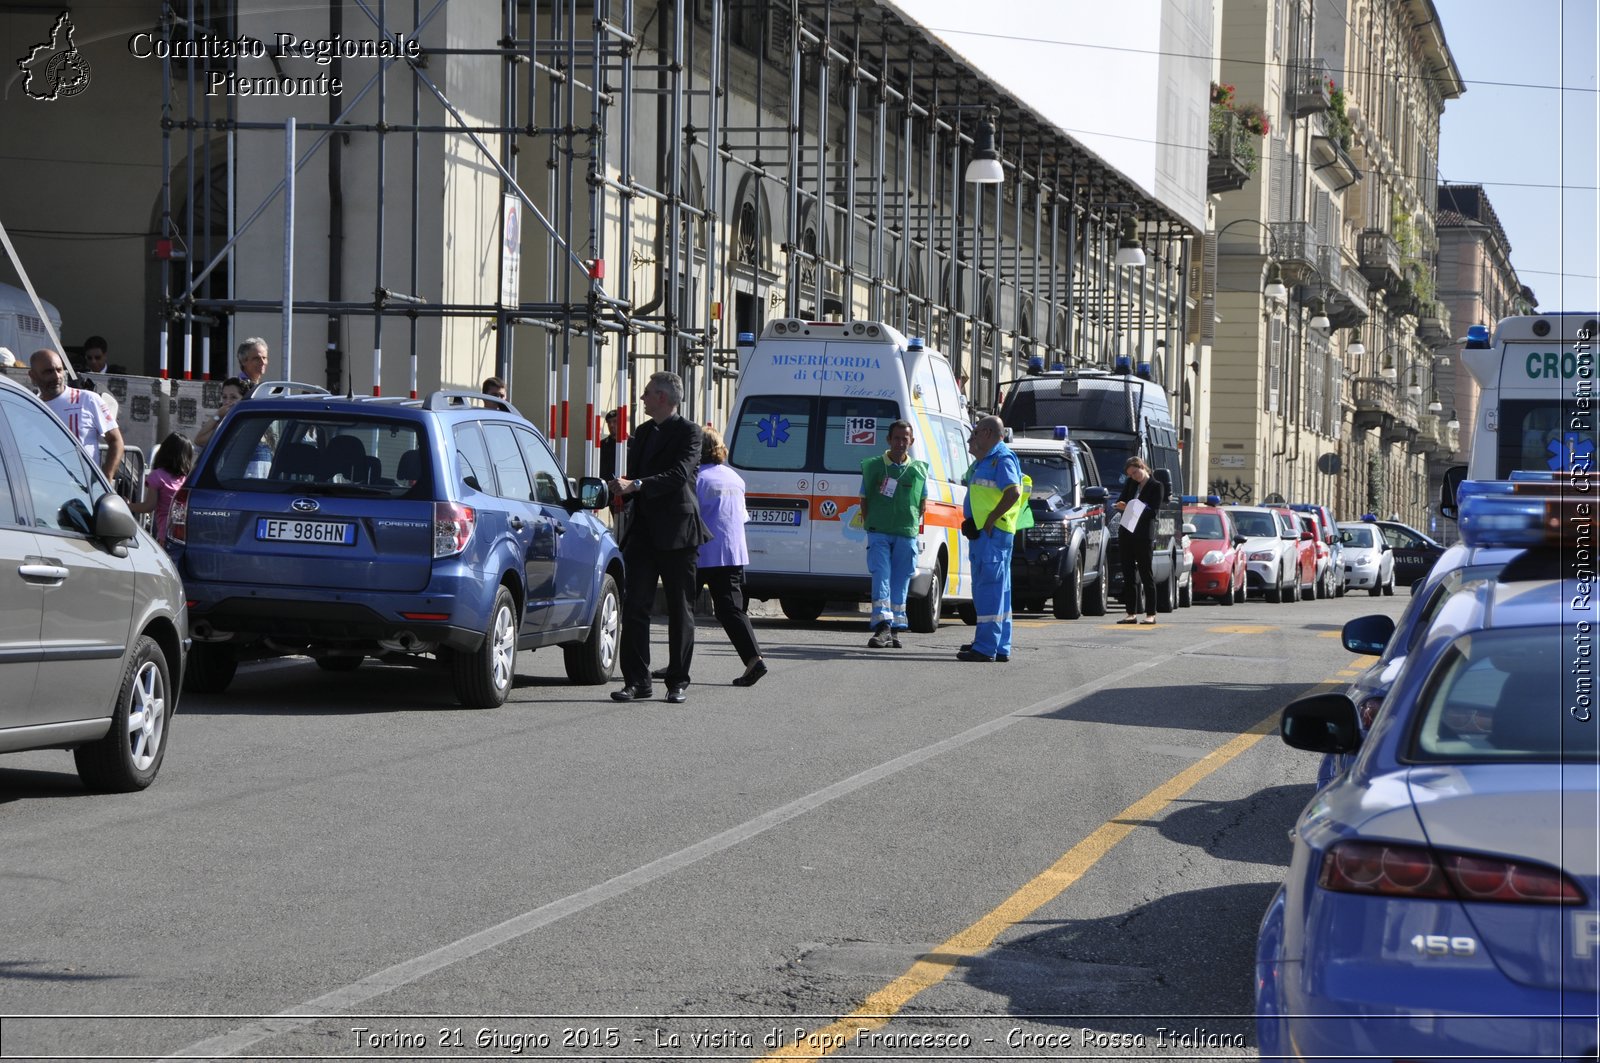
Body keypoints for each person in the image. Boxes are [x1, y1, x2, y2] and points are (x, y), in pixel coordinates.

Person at [608, 371, 711, 704]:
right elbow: (635, 478)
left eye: (648, 393)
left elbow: (679, 475)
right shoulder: (642, 432)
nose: (643, 399)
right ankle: (637, 681)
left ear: (663, 398)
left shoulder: (689, 432)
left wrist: (636, 485)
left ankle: (678, 680)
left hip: (679, 532)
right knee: (635, 604)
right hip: (643, 531)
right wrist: (622, 488)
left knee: (680, 609)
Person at [690, 426, 768, 686]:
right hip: (733, 552)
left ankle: (678, 664)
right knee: (731, 610)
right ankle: (753, 658)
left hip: (701, 552)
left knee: (683, 610)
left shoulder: (696, 479)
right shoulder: (735, 478)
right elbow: (740, 517)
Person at [858, 419, 928, 648]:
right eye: (896, 438)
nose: (900, 443)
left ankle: (895, 628)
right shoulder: (874, 466)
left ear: (911, 441)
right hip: (879, 532)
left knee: (901, 580)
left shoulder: (918, 470)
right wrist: (873, 522)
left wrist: (908, 523)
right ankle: (882, 625)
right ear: (888, 440)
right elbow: (864, 499)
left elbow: (923, 503)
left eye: (904, 439)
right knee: (881, 575)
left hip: (905, 533)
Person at [958, 415, 1022, 662]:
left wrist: (989, 520)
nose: (970, 438)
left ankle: (985, 647)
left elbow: (1013, 492)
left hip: (991, 535)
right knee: (999, 591)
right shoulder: (986, 460)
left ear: (986, 433)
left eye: (974, 433)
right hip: (988, 534)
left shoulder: (1001, 458)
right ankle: (998, 645)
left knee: (988, 591)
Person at [28, 348, 124, 481]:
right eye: (48, 372)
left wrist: (106, 478)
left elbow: (116, 440)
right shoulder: (28, 407)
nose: (56, 376)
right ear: (33, 376)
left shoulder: (88, 399)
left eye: (59, 370)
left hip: (82, 492)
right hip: (41, 490)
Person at [1113, 455, 1165, 625]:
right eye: (1130, 475)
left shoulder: (1156, 486)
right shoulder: (1131, 484)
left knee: (1145, 573)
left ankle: (1151, 613)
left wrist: (1129, 507)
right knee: (1128, 574)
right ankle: (1131, 613)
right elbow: (1122, 499)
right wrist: (1120, 505)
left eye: (1135, 473)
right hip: (1127, 531)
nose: (1134, 477)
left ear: (1142, 467)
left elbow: (1152, 511)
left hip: (1143, 535)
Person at [127, 432, 194, 544]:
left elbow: (148, 506)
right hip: (185, 533)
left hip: (165, 533)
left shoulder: (157, 476)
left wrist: (128, 506)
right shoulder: (187, 479)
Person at [195, 376, 249, 448]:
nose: (227, 402)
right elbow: (198, 440)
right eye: (224, 397)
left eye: (233, 397)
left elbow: (199, 440)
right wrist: (218, 415)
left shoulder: (242, 422)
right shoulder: (224, 420)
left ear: (244, 399)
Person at [598, 408, 620, 481]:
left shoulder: (632, 442)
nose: (611, 425)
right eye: (609, 422)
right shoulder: (602, 444)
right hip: (607, 487)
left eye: (615, 421)